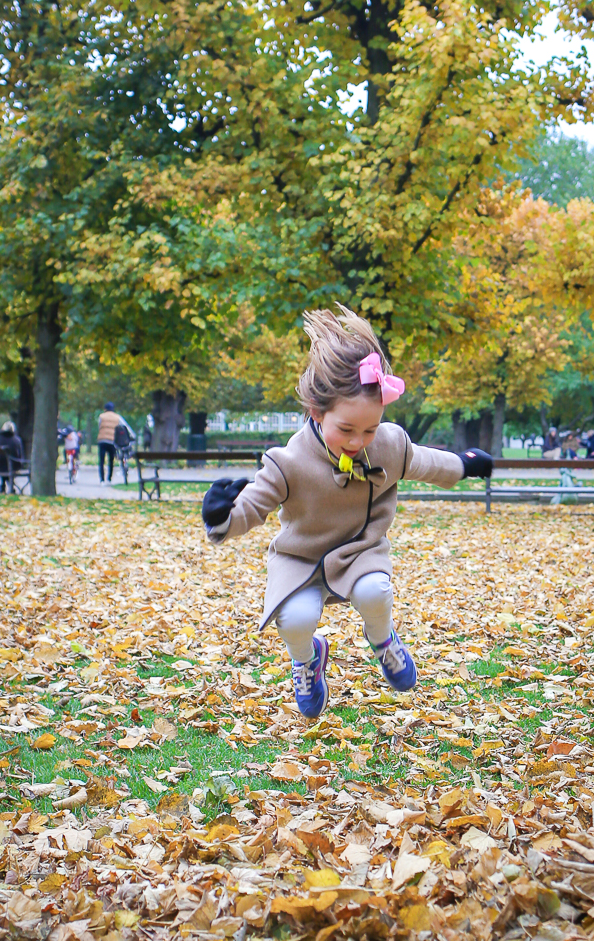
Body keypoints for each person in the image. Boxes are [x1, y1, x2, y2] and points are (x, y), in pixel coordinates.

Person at [200, 306, 492, 719]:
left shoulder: (388, 445)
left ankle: (384, 641)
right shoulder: (288, 460)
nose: (359, 441)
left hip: (359, 549)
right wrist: (221, 518)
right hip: (300, 558)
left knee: (375, 591)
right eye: (347, 430)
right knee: (297, 620)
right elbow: (253, 505)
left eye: (369, 429)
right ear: (318, 414)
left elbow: (426, 462)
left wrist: (465, 464)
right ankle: (307, 660)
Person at [0, 420, 23, 492]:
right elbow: (20, 455)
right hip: (14, 466)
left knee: (2, 462)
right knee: (7, 464)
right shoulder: (17, 440)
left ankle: (2, 486)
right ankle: (10, 486)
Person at [96, 402, 121, 483]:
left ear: (105, 409)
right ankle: (109, 478)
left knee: (102, 461)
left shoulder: (101, 416)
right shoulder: (117, 417)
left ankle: (102, 479)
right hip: (112, 441)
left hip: (102, 440)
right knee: (111, 460)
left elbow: (99, 426)